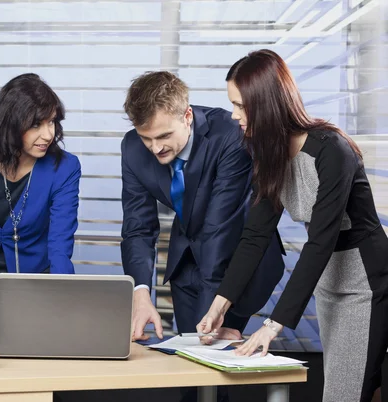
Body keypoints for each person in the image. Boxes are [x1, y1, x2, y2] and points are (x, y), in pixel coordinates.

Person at [198, 49, 388, 402]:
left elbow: (320, 241)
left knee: (345, 391)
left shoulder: (332, 151)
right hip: (328, 282)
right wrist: (219, 304)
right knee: (352, 385)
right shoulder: (271, 155)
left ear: (267, 102)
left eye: (241, 106)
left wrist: (273, 325)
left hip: (366, 282)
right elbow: (255, 235)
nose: (234, 115)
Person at [121, 71, 284, 341]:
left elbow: (219, 230)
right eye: (146, 138)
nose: (155, 148)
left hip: (237, 261)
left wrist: (211, 313)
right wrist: (139, 292)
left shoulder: (229, 136)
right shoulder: (132, 148)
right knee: (188, 356)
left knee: (211, 351)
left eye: (163, 136)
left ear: (187, 116)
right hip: (186, 260)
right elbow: (137, 227)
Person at [0, 73, 81, 318]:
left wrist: (62, 298)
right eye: (37, 124)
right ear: (10, 122)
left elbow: (60, 243)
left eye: (52, 122)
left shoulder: (65, 167)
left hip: (35, 282)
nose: (48, 134)